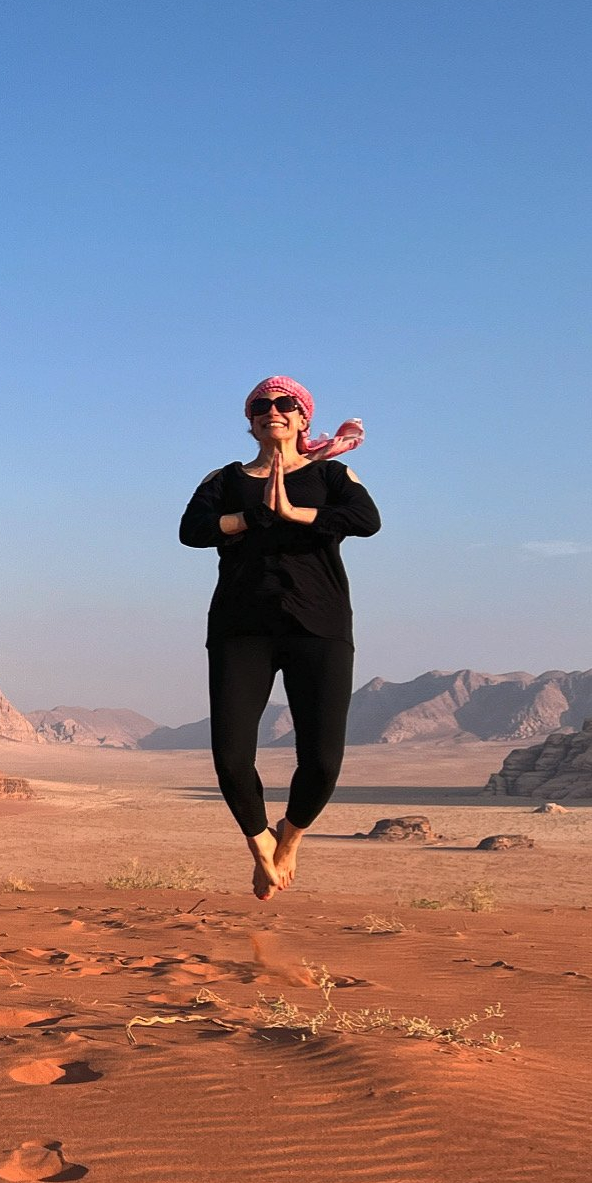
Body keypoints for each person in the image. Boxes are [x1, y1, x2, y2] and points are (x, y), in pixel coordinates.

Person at [179, 377, 380, 899]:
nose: (274, 410)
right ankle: (259, 845)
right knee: (230, 756)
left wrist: (297, 515)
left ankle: (290, 837)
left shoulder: (333, 474)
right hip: (240, 626)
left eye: (285, 404)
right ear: (249, 420)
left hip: (321, 624)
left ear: (303, 418)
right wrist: (250, 517)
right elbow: (192, 530)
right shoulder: (224, 478)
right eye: (262, 405)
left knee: (321, 760)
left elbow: (367, 520)